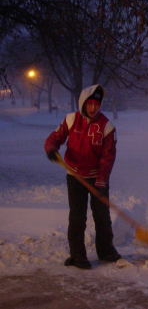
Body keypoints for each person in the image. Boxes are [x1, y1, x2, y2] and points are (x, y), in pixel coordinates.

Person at [44, 84, 121, 269]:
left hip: (97, 178)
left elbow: (107, 157)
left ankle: (106, 251)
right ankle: (78, 256)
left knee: (102, 216)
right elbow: (55, 137)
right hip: (75, 176)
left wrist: (102, 180)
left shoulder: (107, 127)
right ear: (83, 103)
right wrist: (51, 149)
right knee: (77, 216)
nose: (93, 108)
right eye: (90, 104)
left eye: (97, 104)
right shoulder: (71, 120)